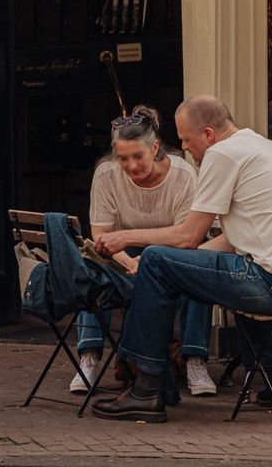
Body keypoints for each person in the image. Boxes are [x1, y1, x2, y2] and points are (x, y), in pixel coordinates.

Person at [89, 95, 272, 423]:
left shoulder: (223, 154)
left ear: (208, 135)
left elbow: (189, 236)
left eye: (186, 140)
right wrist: (178, 263)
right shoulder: (271, 149)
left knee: (154, 259)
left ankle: (146, 390)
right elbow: (231, 240)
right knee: (218, 264)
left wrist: (127, 238)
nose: (184, 148)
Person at [68, 107, 214, 397]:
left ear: (155, 147)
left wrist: (149, 259)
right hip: (123, 253)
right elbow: (101, 236)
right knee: (93, 270)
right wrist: (127, 261)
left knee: (198, 268)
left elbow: (188, 236)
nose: (131, 165)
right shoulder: (107, 174)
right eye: (123, 158)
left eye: (138, 156)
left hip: (172, 248)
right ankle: (89, 357)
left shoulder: (183, 175)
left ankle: (195, 359)